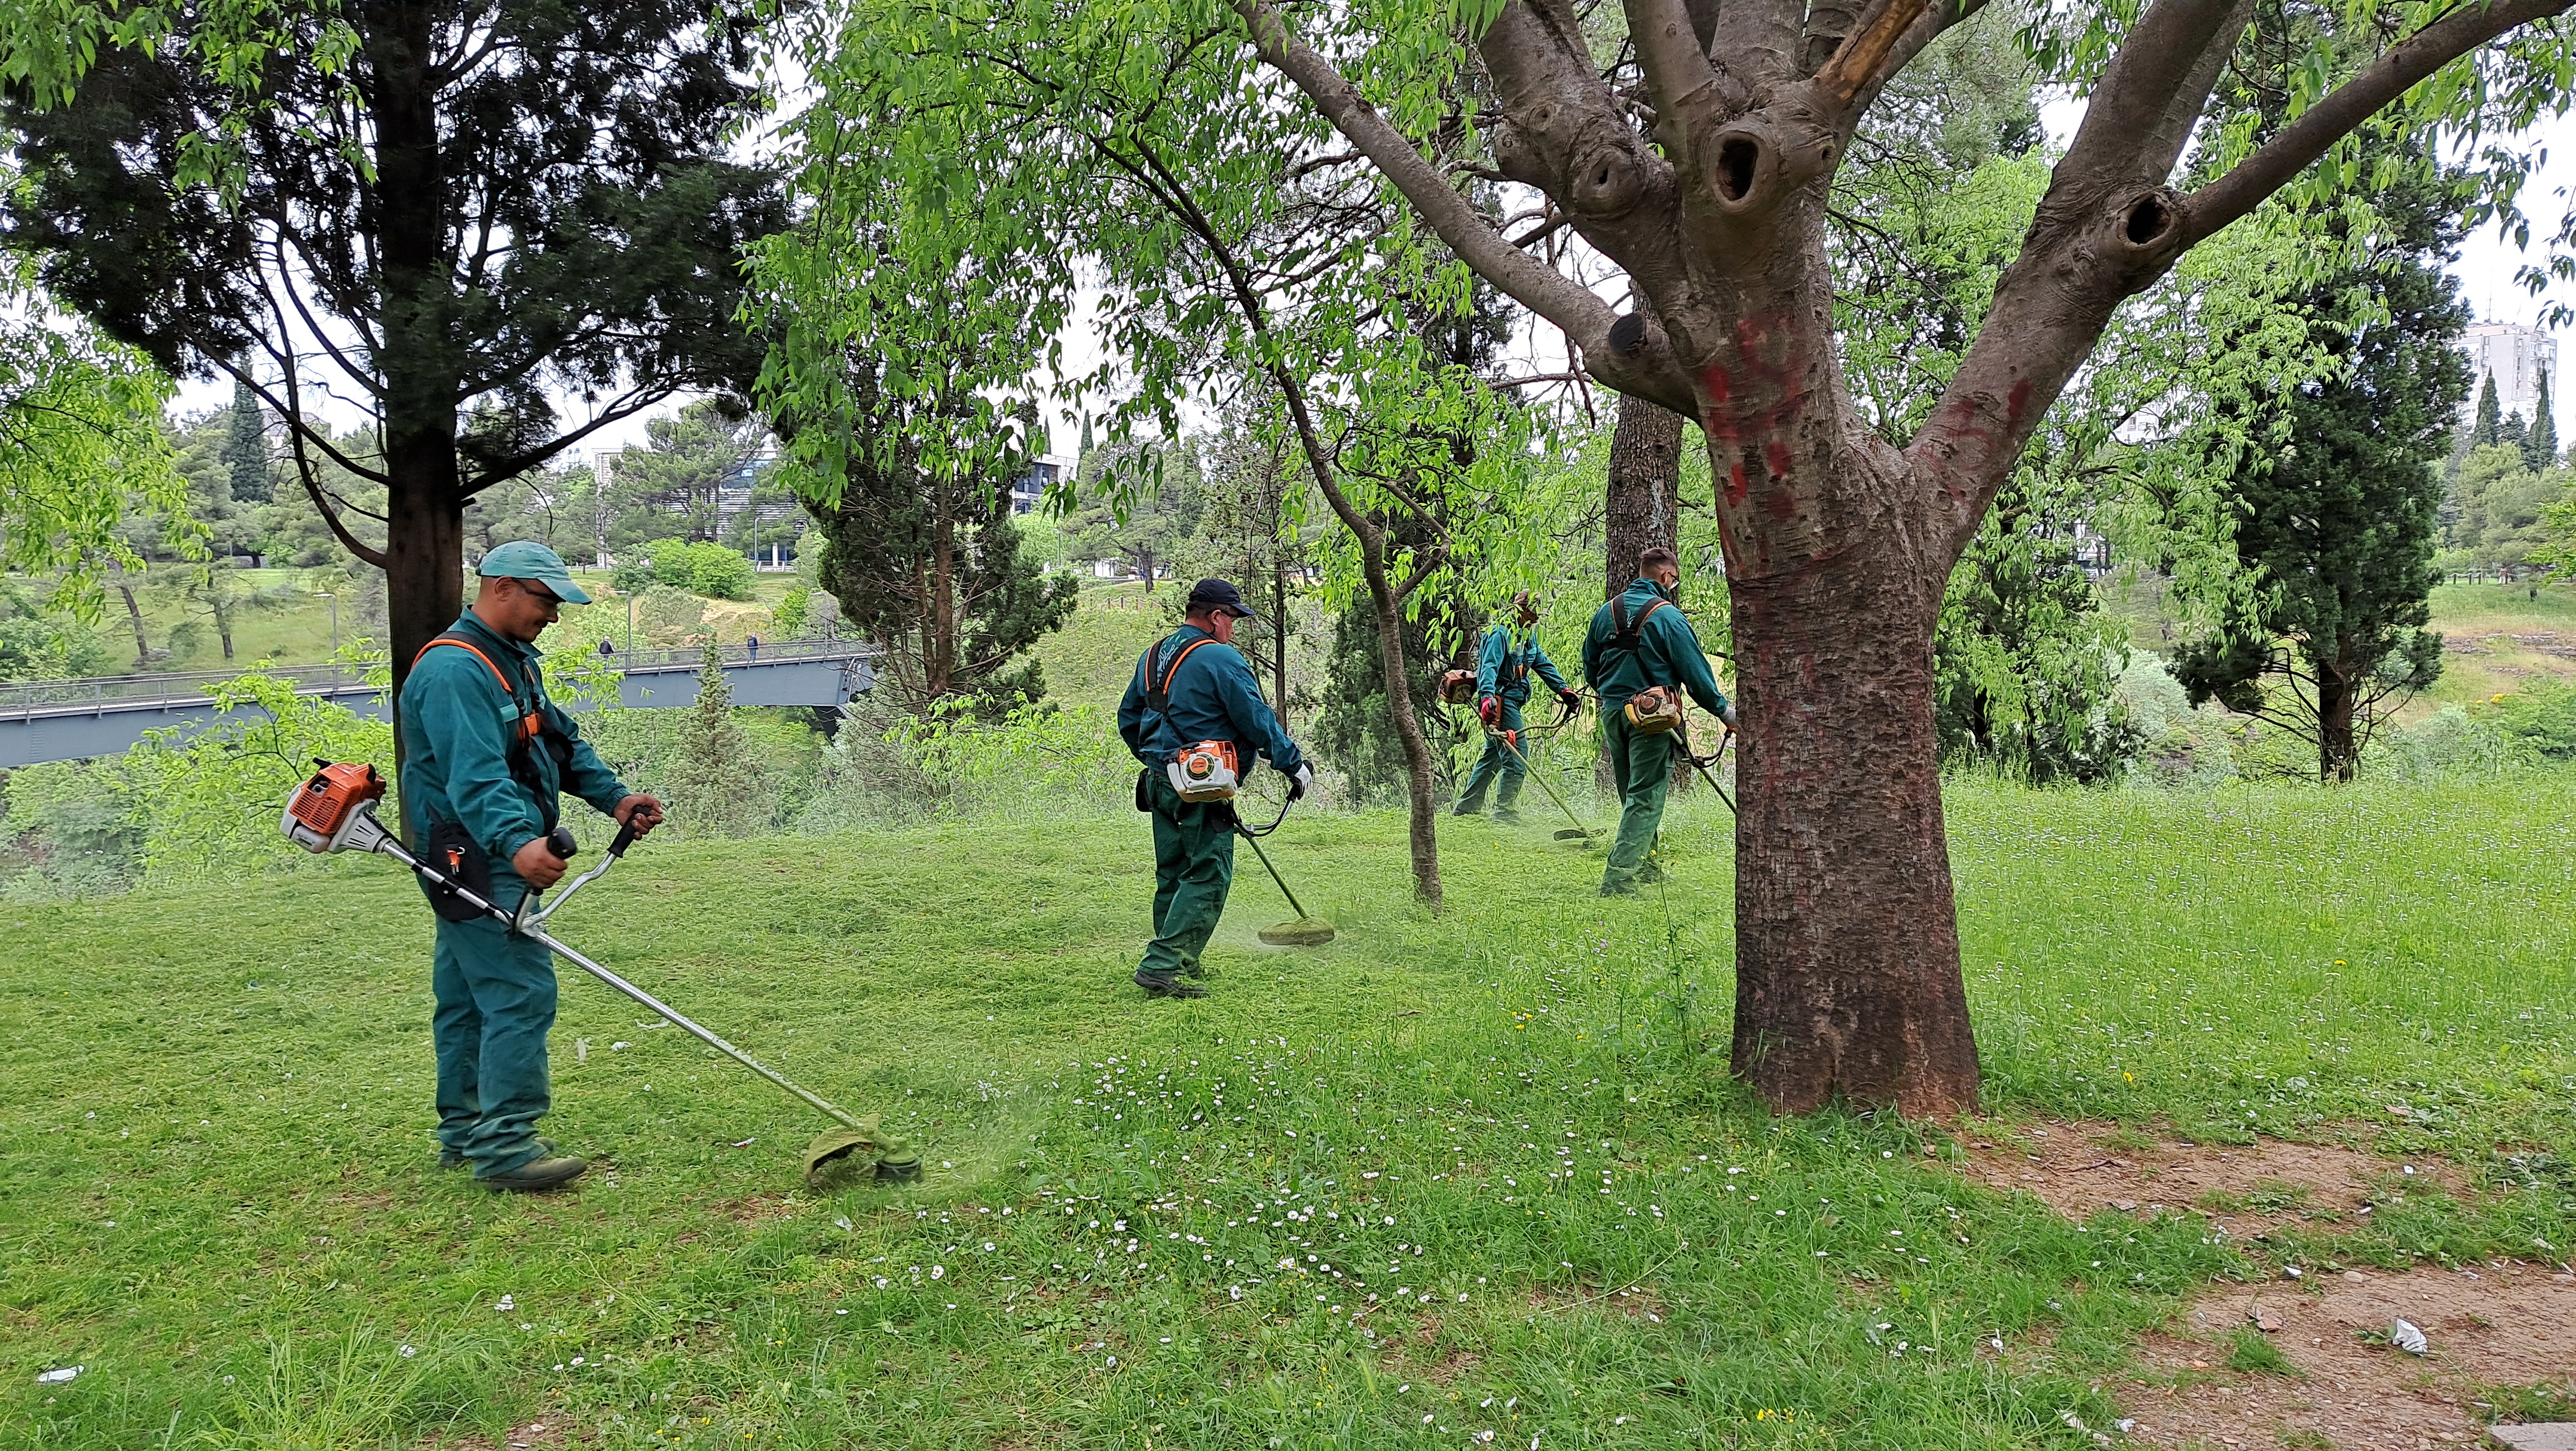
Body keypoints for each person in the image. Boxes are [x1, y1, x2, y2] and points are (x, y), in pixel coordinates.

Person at [399, 542, 665, 1191]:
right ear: (503, 588)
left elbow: (558, 740)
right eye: (545, 601)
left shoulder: (509, 662)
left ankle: (466, 1131)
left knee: (465, 996)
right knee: (518, 990)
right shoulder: (455, 672)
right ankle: (506, 1147)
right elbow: (476, 776)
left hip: (481, 853)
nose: (552, 615)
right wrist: (520, 842)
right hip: (473, 856)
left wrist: (616, 798)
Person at [1116, 578, 1314, 999]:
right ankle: (1163, 965)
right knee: (1208, 872)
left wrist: (1160, 760)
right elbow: (1255, 717)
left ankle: (1183, 964)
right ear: (1216, 617)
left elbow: (1128, 720)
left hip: (1158, 781)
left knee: (1173, 873)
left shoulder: (1152, 657)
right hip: (1203, 784)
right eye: (1233, 620)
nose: (1234, 630)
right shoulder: (1219, 657)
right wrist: (1292, 764)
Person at [1581, 546, 1735, 896]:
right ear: (1666, 577)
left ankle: (1647, 868)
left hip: (1613, 714)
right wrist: (1725, 712)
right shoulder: (1668, 617)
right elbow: (1696, 673)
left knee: (1632, 794)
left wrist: (1617, 694)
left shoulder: (1606, 613)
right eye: (1674, 579)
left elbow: (1590, 666)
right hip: (1652, 718)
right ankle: (1618, 879)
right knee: (1646, 797)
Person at [1454, 590, 1581, 824]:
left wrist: (1564, 691)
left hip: (1514, 700)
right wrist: (1487, 698)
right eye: (1534, 610)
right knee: (1517, 755)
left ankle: (1466, 808)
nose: (1538, 616)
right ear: (1522, 609)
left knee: (1492, 755)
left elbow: (1542, 664)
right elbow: (1489, 667)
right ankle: (1505, 813)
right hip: (1501, 702)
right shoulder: (1499, 633)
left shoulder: (1528, 637)